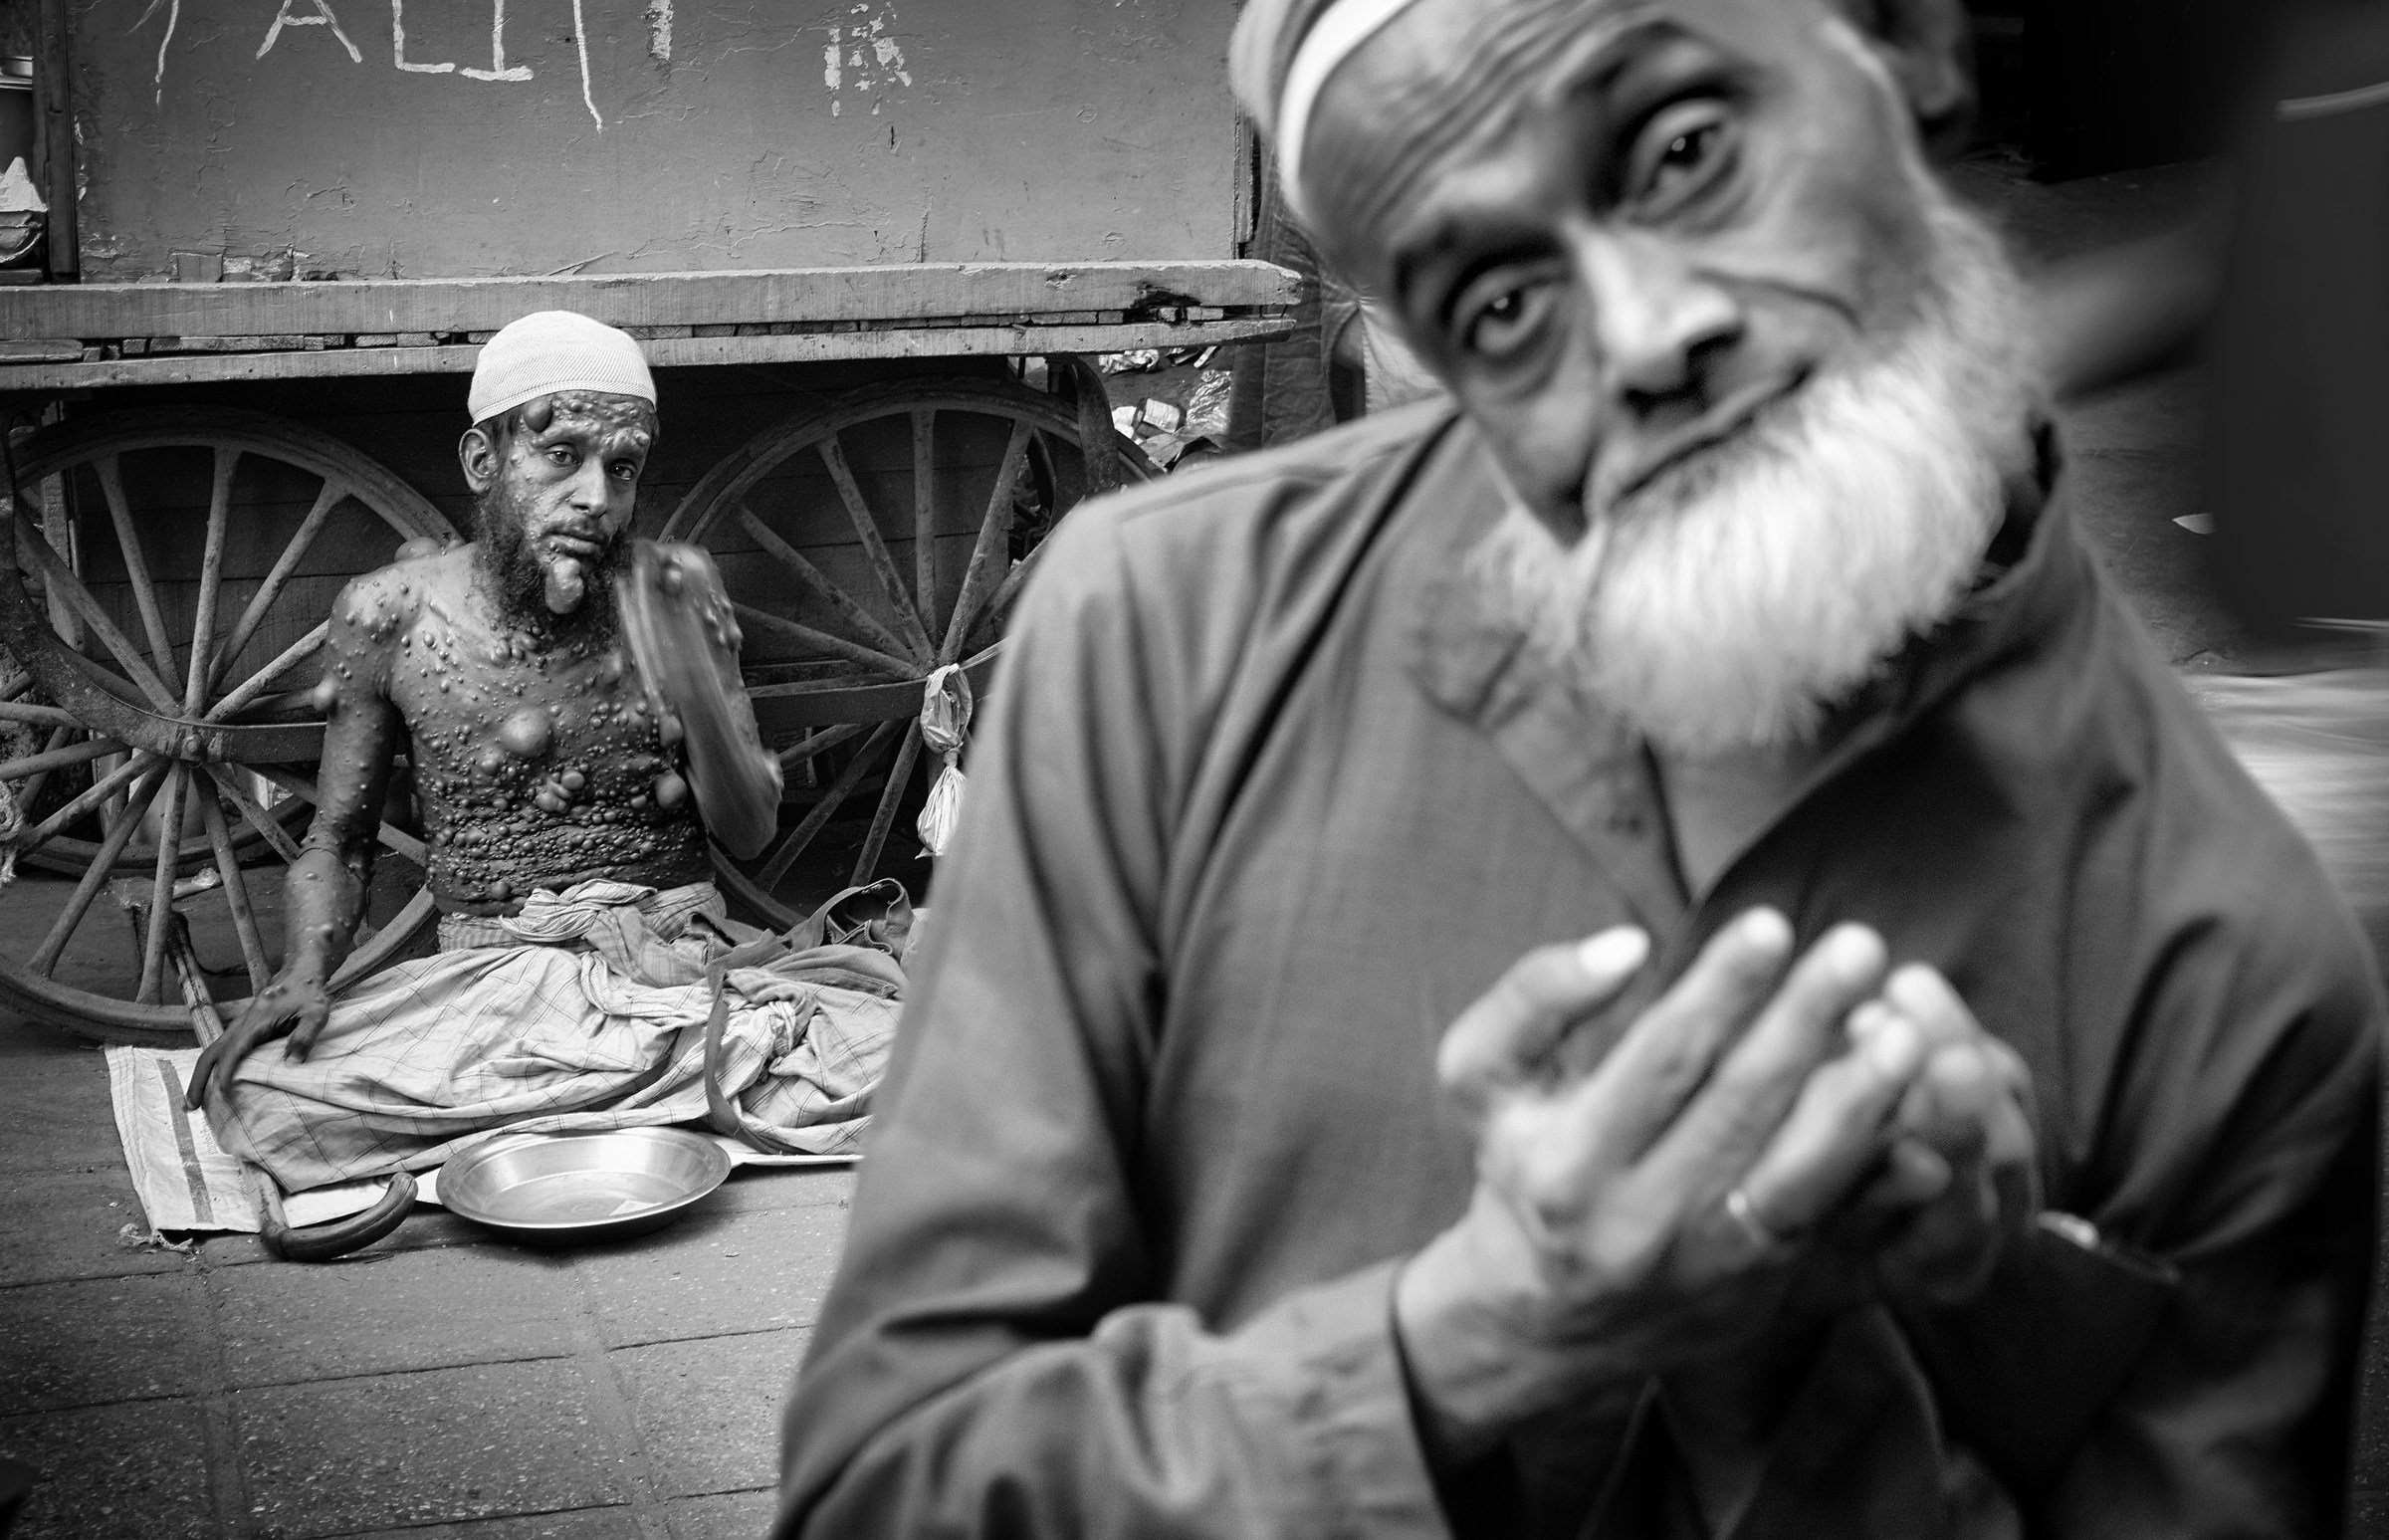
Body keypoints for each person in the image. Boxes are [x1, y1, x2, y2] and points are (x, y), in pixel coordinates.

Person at [773, 1, 2381, 1535]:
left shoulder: (2231, 965)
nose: (1648, 336)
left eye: (1685, 152)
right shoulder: (1159, 635)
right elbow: (888, 1485)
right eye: (1501, 305)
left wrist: (1949, 1313)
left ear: (1907, 48)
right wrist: (1481, 1329)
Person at [184, 311, 899, 1196]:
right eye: (562, 455)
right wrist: (302, 973)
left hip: (681, 968)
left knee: (927, 1049)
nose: (597, 497)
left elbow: (749, 833)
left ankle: (593, 1102)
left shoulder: (672, 586)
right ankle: (648, 1100)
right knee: (257, 1093)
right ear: (484, 461)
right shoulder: (389, 612)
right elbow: (340, 840)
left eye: (622, 468)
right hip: (490, 986)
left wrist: (686, 659)